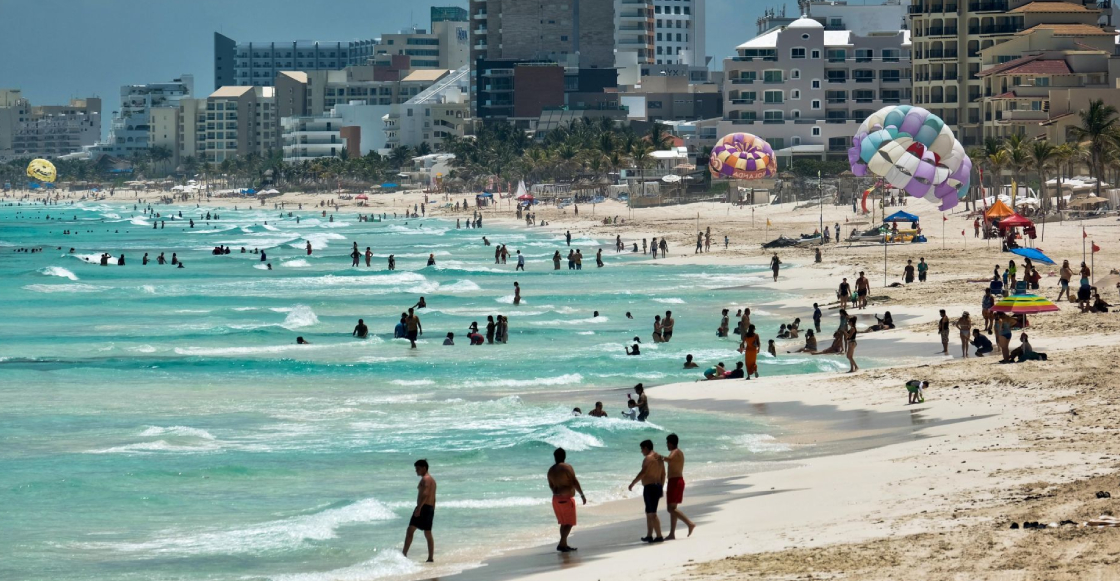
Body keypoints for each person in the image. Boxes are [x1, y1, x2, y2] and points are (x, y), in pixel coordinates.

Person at [547, 447, 585, 552]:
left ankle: (564, 545)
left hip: (556, 499)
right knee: (569, 523)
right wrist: (582, 494)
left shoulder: (550, 470)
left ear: (555, 457)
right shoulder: (567, 467)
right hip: (566, 499)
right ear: (564, 456)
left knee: (564, 523)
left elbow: (551, 485)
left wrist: (558, 493)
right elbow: (574, 481)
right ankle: (561, 543)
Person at [628, 439, 665, 543]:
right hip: (657, 486)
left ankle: (659, 536)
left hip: (650, 487)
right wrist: (661, 487)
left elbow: (643, 472)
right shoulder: (660, 458)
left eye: (642, 449)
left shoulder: (648, 458)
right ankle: (649, 535)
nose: (641, 452)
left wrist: (633, 483)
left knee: (652, 513)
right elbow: (663, 474)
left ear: (646, 448)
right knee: (648, 512)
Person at [402, 459, 436, 563]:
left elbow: (425, 494)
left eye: (418, 469)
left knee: (410, 530)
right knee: (427, 533)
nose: (416, 471)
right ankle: (430, 558)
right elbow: (433, 497)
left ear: (424, 468)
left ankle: (403, 555)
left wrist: (419, 508)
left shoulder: (426, 479)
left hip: (423, 508)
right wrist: (431, 509)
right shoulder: (432, 480)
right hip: (429, 508)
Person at [663, 433, 696, 539]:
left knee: (670, 509)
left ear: (671, 443)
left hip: (675, 482)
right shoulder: (679, 452)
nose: (666, 445)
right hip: (676, 481)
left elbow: (669, 460)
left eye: (667, 443)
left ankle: (690, 523)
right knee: (673, 509)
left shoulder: (675, 452)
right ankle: (672, 533)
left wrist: (659, 457)